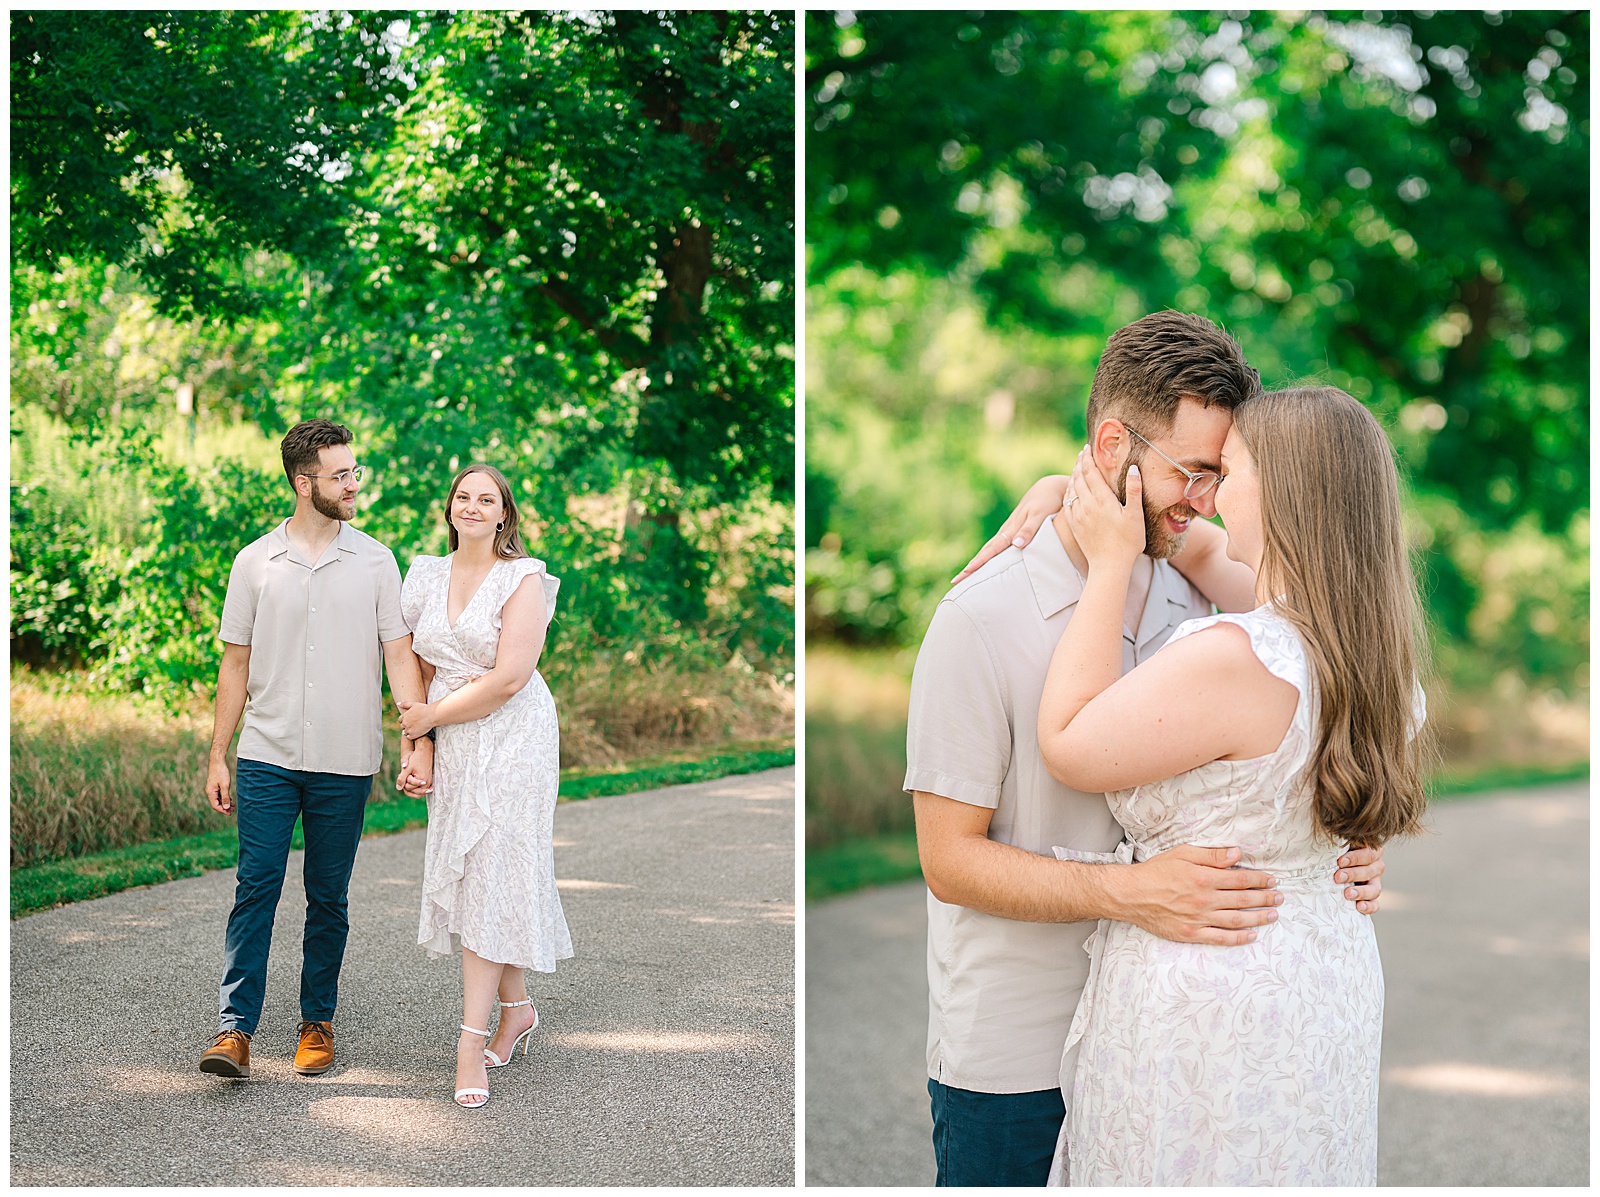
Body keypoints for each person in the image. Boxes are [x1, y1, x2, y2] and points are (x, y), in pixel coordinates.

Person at [905, 311, 1387, 1186]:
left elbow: (1330, 665)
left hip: (1167, 1043)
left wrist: (1339, 844)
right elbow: (948, 861)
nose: (1205, 499)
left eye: (1220, 473)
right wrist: (1131, 894)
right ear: (1113, 442)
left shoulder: (1204, 597)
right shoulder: (979, 619)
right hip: (1020, 1053)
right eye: (1193, 472)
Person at [1037, 385, 1427, 1184]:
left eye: (1231, 471)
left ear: (1281, 495)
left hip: (1219, 996)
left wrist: (1111, 562)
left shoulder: (1232, 655)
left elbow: (1070, 743)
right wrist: (1083, 495)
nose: (1210, 495)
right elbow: (1206, 552)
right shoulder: (1371, 650)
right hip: (1327, 973)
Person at [199, 419, 433, 1079]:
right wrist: (218, 753)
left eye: (353, 472)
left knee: (328, 894)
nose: (354, 483)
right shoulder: (254, 562)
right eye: (341, 475)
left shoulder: (376, 560)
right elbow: (234, 666)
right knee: (256, 885)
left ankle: (316, 1021)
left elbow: (399, 657)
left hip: (346, 758)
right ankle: (234, 1029)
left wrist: (420, 741)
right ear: (306, 484)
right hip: (267, 753)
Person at [396, 463, 571, 1109]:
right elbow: (411, 661)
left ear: (504, 514)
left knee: (495, 871)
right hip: (454, 735)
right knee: (480, 876)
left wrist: (430, 720)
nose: (472, 506)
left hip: (514, 735)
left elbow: (509, 677)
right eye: (463, 497)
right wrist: (419, 746)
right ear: (450, 507)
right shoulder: (424, 573)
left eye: (486, 499)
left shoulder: (523, 577)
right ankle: (516, 1009)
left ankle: (469, 1043)